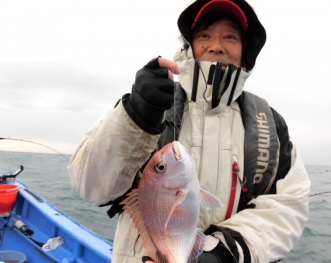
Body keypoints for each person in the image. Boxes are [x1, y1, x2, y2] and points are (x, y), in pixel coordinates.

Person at [68, 0, 311, 262]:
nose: (216, 45)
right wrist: (136, 114)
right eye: (204, 35)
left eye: (230, 36)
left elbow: (289, 207)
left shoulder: (269, 125)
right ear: (189, 45)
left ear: (245, 50)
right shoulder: (150, 103)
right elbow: (90, 187)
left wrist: (222, 253)